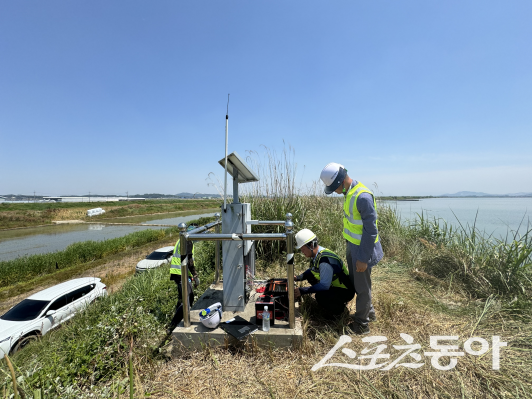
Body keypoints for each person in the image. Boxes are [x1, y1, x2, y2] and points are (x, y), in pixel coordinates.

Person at [320, 162, 383, 335]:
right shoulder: (349, 193)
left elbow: (371, 231)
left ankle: (362, 324)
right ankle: (369, 313)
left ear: (340, 181)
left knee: (362, 287)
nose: (335, 192)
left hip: (363, 250)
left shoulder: (362, 197)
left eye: (334, 188)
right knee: (358, 284)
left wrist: (363, 258)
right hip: (353, 247)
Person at [293, 229, 355, 319]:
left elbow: (324, 285)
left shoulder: (324, 260)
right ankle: (334, 300)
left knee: (321, 296)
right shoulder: (317, 254)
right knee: (311, 277)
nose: (302, 252)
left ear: (311, 245)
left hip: (345, 290)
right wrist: (298, 278)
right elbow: (312, 270)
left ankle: (339, 312)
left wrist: (302, 291)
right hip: (335, 286)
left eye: (303, 249)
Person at [167, 236, 199, 334]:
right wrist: (195, 275)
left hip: (177, 272)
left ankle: (177, 319)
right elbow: (189, 260)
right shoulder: (188, 241)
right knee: (188, 299)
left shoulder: (180, 239)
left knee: (182, 298)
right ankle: (173, 324)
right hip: (181, 273)